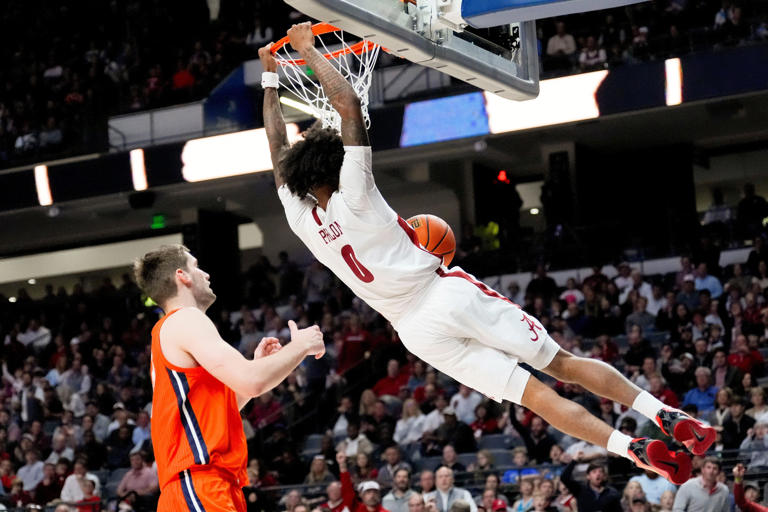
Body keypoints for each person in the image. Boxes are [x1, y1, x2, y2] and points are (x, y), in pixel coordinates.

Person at [260, 24, 714, 485]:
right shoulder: (354, 191)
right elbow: (348, 105)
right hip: (443, 294)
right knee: (559, 363)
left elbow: (278, 152)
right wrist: (307, 51)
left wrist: (270, 81)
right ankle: (665, 415)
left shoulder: (304, 223)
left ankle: (630, 448)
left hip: (415, 332)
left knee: (533, 397)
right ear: (335, 166)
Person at [133, 245, 325, 511]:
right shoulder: (185, 319)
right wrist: (302, 345)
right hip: (199, 484)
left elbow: (225, 406)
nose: (206, 274)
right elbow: (253, 380)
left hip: (201, 486)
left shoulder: (171, 330)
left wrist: (259, 365)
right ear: (182, 276)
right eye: (196, 266)